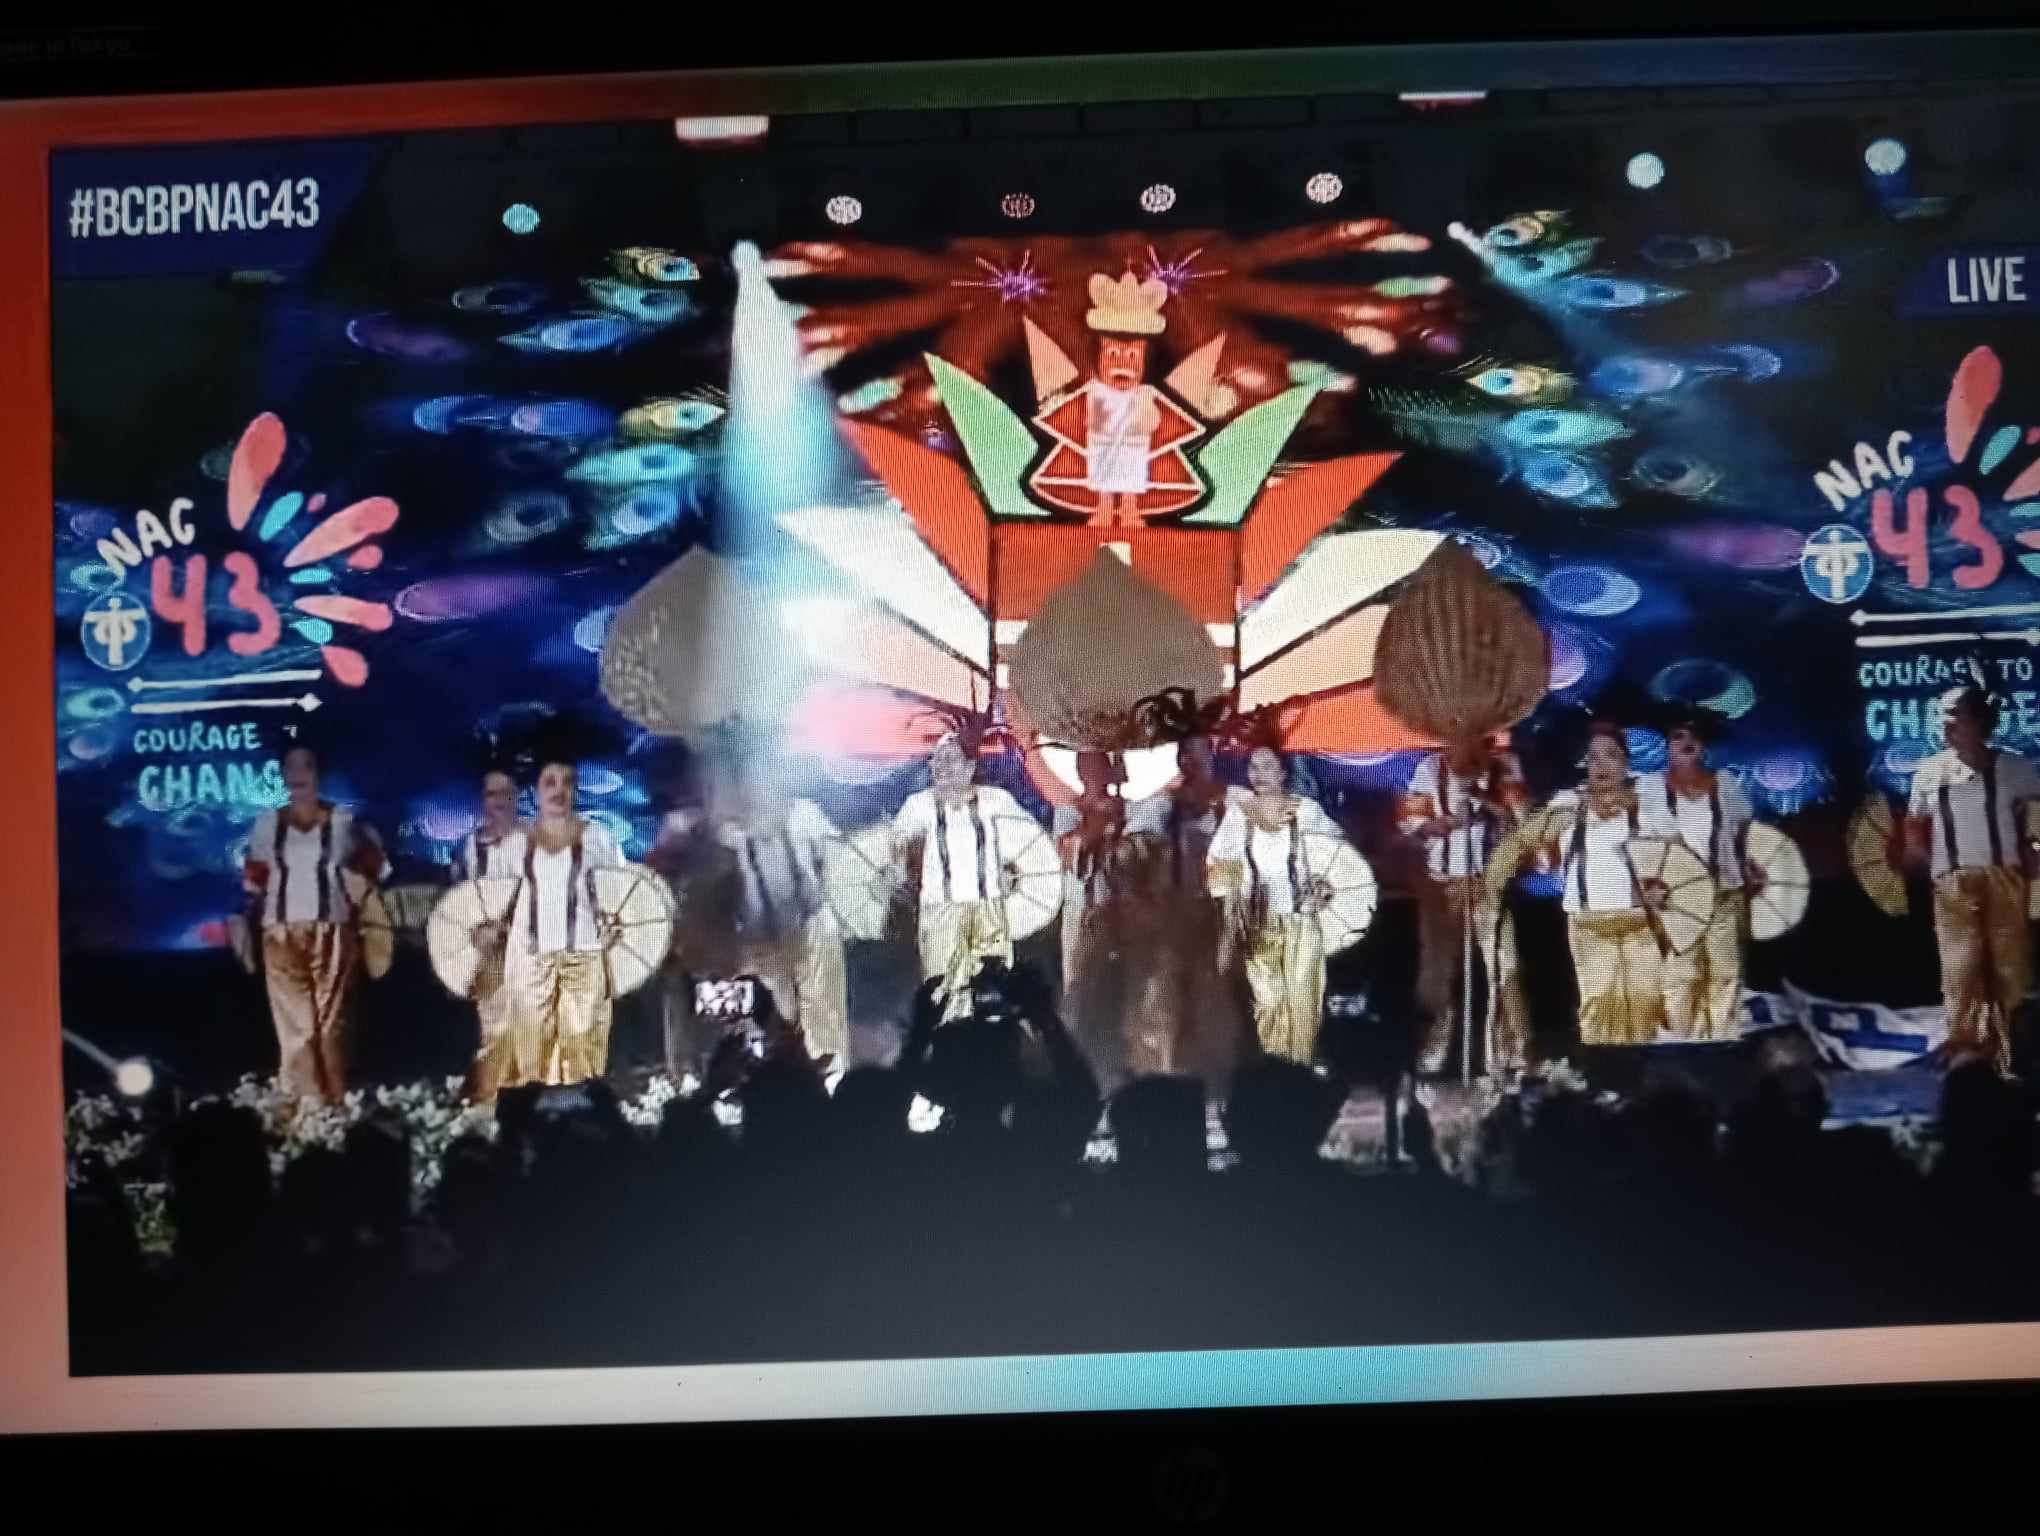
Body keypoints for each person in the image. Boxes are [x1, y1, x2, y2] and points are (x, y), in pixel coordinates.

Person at [1903, 684, 2040, 1077]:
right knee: (1960, 970)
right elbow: (1914, 827)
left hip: (2005, 878)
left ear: (1979, 721)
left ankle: (2013, 1054)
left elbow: (2035, 822)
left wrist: (2034, 859)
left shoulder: (2015, 768)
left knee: (2010, 968)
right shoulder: (1929, 771)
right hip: (1953, 883)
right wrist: (1927, 865)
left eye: (1954, 715)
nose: (1945, 724)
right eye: (1941, 717)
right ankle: (1967, 1057)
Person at [243, 744, 388, 1103]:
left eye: (306, 766)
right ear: (282, 775)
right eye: (290, 767)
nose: (298, 775)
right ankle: (306, 1105)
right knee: (296, 1026)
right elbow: (253, 880)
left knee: (331, 1024)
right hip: (280, 932)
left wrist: (362, 904)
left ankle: (335, 1102)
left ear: (318, 774)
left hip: (332, 929)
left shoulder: (343, 821)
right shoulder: (266, 824)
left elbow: (375, 869)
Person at [701, 745, 850, 1074]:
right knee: (781, 1004)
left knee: (822, 1003)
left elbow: (834, 858)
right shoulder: (732, 835)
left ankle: (829, 1071)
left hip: (812, 924)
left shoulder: (804, 813)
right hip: (764, 935)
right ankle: (790, 1067)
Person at [1207, 744, 1349, 1066]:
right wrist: (1233, 902)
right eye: (1254, 767)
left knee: (1303, 1000)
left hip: (1302, 921)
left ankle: (1299, 1072)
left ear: (1284, 772)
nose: (1259, 775)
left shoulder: (1306, 811)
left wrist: (1323, 886)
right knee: (1268, 1001)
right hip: (1259, 922)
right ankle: (1274, 1072)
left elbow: (1337, 854)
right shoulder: (1239, 814)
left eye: (1268, 766)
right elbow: (1219, 863)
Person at [1399, 736, 1532, 1078]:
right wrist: (1446, 822)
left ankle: (1509, 1055)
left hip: (1489, 885)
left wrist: (1488, 802)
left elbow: (1525, 825)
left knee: (1504, 967)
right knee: (1439, 970)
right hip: (1444, 885)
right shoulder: (1431, 768)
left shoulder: (1504, 765)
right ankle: (1431, 1054)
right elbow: (1412, 823)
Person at [891, 729, 1040, 1019]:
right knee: (944, 990)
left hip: (988, 909)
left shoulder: (996, 801)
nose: (941, 766)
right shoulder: (918, 805)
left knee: (992, 991)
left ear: (970, 767)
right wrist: (902, 861)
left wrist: (1014, 873)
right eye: (937, 759)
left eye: (950, 759)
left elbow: (1028, 841)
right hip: (940, 911)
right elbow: (898, 845)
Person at [1126, 730, 1244, 1091]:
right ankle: (1165, 1072)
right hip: (1172, 916)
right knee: (1164, 991)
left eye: (1197, 753)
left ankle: (1214, 1074)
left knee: (1216, 991)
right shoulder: (1163, 804)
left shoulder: (1231, 801)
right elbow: (1135, 846)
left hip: (1218, 915)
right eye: (1183, 755)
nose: (1190, 762)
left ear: (1211, 754)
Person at [499, 756, 628, 1087]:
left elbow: (619, 892)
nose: (559, 790)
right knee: (531, 1048)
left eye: (567, 782)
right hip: (531, 959)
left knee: (582, 1046)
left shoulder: (599, 837)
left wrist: (614, 927)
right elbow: (497, 900)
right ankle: (531, 1110)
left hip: (584, 954)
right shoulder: (514, 842)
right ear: (535, 791)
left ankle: (582, 1109)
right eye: (550, 782)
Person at [1637, 706, 1762, 1042]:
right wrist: (1649, 887)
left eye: (1694, 736)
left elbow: (1744, 834)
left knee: (1726, 972)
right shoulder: (1651, 788)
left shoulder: (1726, 784)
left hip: (1724, 893)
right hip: (1679, 898)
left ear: (1704, 745)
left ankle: (1722, 1041)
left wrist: (1752, 870)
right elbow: (1645, 845)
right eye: (1678, 736)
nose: (1687, 742)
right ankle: (1681, 1043)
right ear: (1667, 746)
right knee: (1681, 973)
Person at [1544, 717, 1668, 1048]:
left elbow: (1673, 852)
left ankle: (1643, 1065)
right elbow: (1544, 852)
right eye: (1593, 757)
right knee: (1599, 1005)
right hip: (1588, 918)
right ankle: (1606, 1065)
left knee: (1644, 1003)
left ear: (1626, 761)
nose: (1600, 764)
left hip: (1640, 917)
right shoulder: (1566, 801)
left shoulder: (1648, 797)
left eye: (1611, 755)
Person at [1054, 750, 1139, 1090]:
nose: (1094, 773)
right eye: (1087, 766)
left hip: (1115, 910)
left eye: (1100, 765)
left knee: (1117, 985)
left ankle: (1118, 1065)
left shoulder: (1127, 809)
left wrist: (1119, 825)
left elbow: (1136, 860)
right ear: (1079, 771)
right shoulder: (1067, 811)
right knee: (1078, 986)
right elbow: (1069, 858)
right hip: (1079, 912)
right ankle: (1077, 1067)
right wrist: (1099, 824)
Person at [453, 764, 525, 1102]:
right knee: (494, 1025)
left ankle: (526, 1096)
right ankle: (494, 1098)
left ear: (516, 797)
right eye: (491, 794)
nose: (498, 801)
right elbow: (460, 898)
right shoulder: (470, 848)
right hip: (489, 951)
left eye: (505, 793)